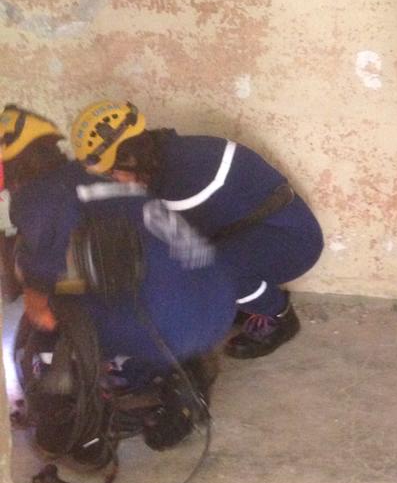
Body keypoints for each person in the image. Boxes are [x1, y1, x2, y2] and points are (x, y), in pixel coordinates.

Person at [0, 104, 239, 457]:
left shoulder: (36, 197)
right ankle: (174, 371)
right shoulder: (95, 174)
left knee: (54, 322)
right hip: (218, 304)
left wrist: (35, 293)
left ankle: (75, 425)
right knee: (104, 287)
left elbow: (44, 292)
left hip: (173, 325)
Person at [69, 101, 324, 360]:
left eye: (112, 172)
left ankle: (278, 316)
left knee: (211, 274)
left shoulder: (184, 187)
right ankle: (243, 296)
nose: (112, 178)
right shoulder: (168, 154)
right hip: (261, 228)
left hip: (294, 241)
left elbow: (181, 256)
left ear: (130, 158)